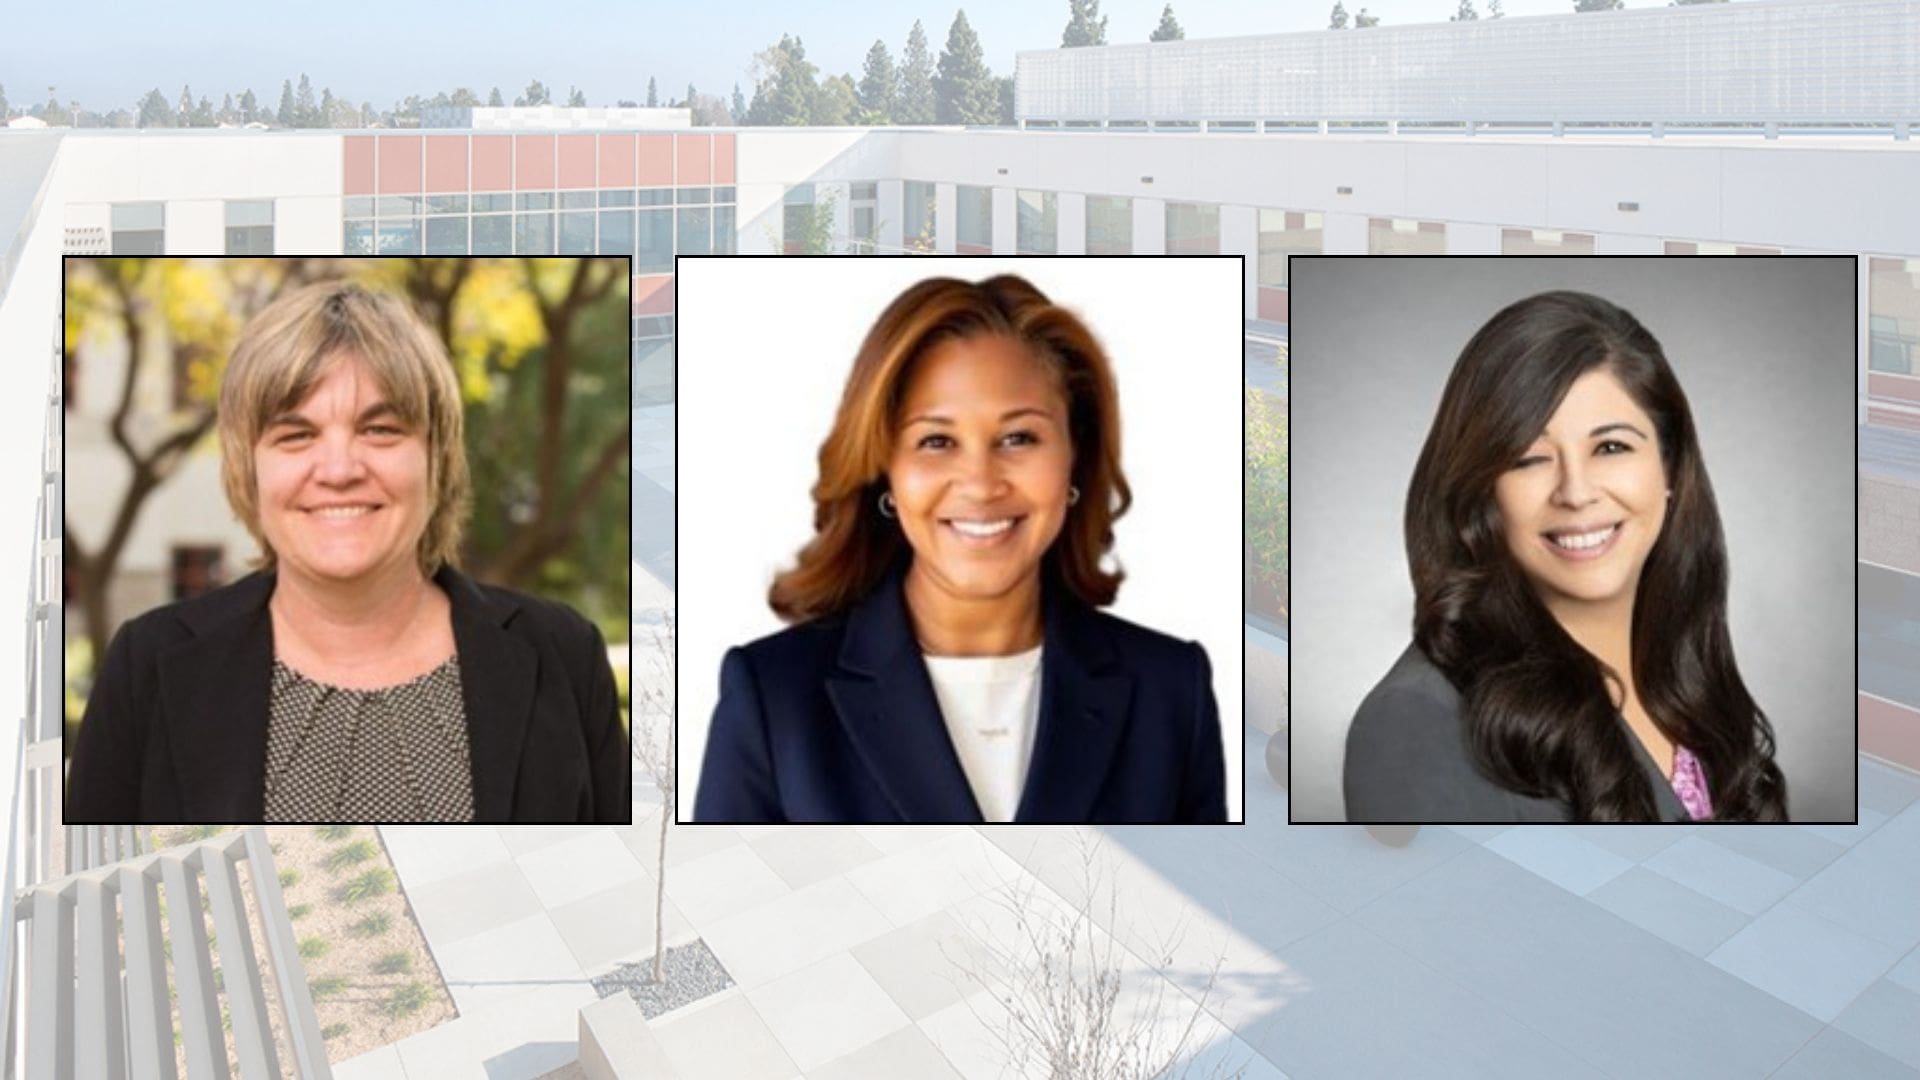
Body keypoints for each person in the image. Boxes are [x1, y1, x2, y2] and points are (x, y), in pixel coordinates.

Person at [65, 281, 629, 824]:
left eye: (380, 429)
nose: (339, 471)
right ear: (248, 468)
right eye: (296, 435)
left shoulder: (563, 657)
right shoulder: (149, 669)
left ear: (436, 456)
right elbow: (90, 910)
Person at [694, 274, 1226, 824]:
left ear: (1075, 458)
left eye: (1019, 438)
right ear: (886, 474)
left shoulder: (1171, 692)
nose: (980, 483)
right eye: (936, 441)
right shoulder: (774, 699)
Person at [1344, 290, 1787, 823]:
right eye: (1529, 458)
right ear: (1481, 494)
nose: (1575, 492)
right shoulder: (1417, 723)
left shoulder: (1687, 684)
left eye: (1611, 447)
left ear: (1668, 469)